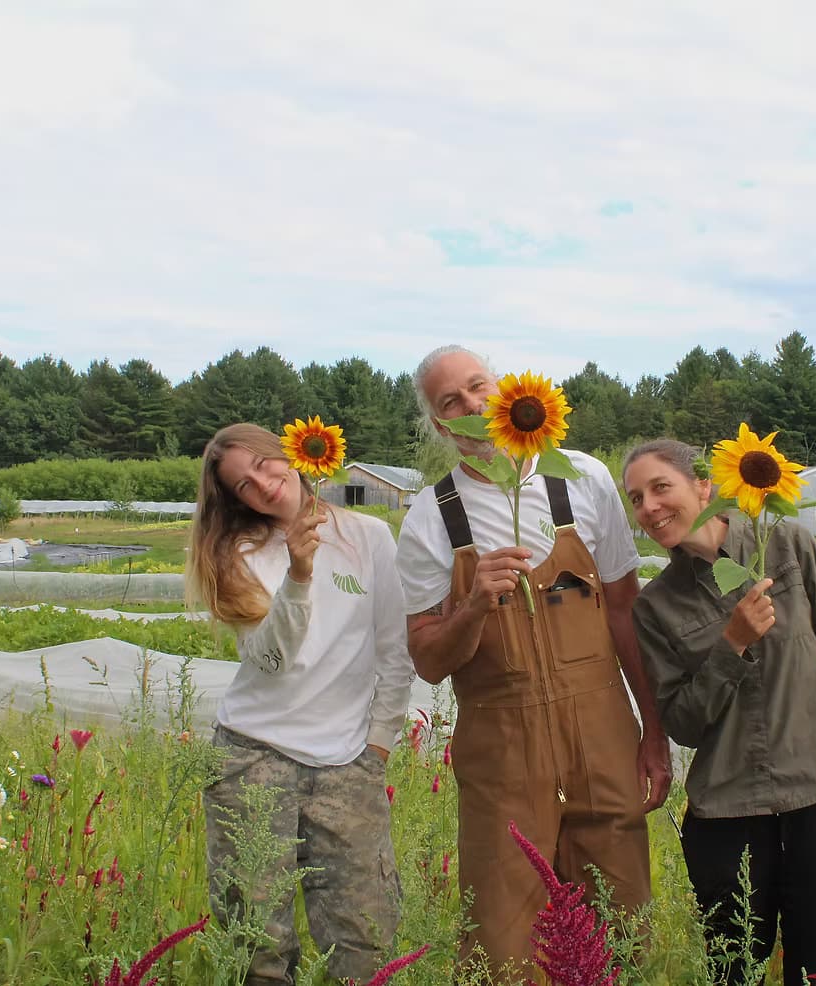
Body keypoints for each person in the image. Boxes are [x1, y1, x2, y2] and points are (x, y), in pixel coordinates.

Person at [394, 345, 673, 979]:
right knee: (504, 939)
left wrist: (653, 732)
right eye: (450, 402)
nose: (471, 405)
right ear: (440, 425)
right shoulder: (432, 518)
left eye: (477, 386)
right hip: (503, 752)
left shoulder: (582, 478)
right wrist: (470, 607)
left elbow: (625, 613)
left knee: (620, 923)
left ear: (503, 390)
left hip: (603, 737)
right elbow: (428, 660)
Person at [622, 439, 816, 986]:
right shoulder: (656, 606)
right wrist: (731, 645)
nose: (648, 507)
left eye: (660, 487)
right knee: (734, 974)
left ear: (704, 486)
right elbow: (683, 724)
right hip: (729, 818)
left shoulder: (787, 545)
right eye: (635, 498)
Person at [187, 423, 413, 986]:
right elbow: (270, 662)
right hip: (251, 759)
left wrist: (378, 744)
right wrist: (299, 575)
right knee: (256, 937)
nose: (262, 484)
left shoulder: (369, 537)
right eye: (243, 485)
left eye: (264, 464)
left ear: (290, 454)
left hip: (348, 761)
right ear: (236, 501)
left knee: (365, 933)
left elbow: (395, 648)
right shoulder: (237, 554)